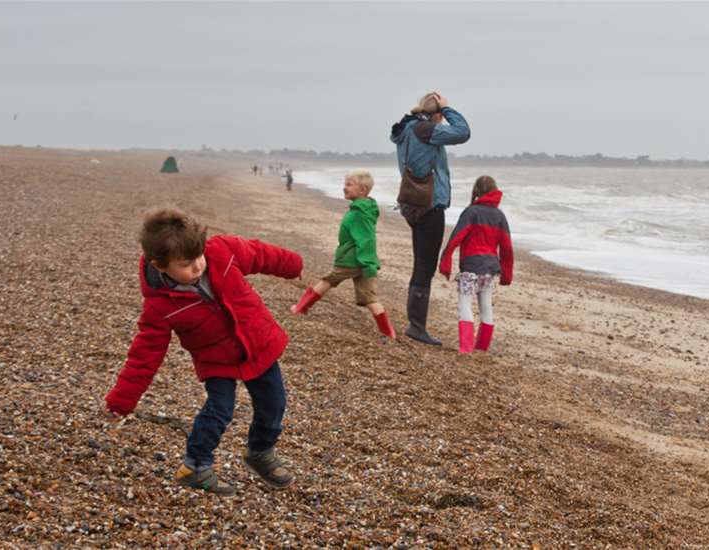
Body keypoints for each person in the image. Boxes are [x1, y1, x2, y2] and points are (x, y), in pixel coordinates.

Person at [104, 208, 303, 496]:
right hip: (216, 360)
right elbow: (144, 354)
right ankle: (195, 466)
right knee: (219, 410)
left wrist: (292, 265)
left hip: (258, 344)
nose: (198, 267)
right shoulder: (160, 306)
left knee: (273, 403)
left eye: (199, 257)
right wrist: (123, 399)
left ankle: (260, 451)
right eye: (186, 264)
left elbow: (259, 254)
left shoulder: (221, 251)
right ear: (160, 266)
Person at [389, 91, 470, 346]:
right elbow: (463, 132)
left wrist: (430, 109)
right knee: (425, 266)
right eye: (441, 116)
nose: (443, 122)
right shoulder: (426, 130)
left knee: (421, 263)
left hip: (411, 202)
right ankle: (417, 326)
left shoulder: (406, 130)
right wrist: (448, 108)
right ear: (435, 114)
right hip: (428, 204)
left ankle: (417, 323)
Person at [290, 170, 396, 339]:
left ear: (362, 190)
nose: (344, 188)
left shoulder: (359, 213)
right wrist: (367, 264)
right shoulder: (363, 208)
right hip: (362, 261)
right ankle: (388, 332)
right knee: (369, 298)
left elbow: (367, 239)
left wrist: (367, 262)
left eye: (349, 185)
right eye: (345, 184)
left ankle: (301, 308)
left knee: (328, 280)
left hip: (352, 259)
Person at [438, 176, 513, 353]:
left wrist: (445, 262)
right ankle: (481, 347)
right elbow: (507, 247)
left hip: (471, 266)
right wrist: (507, 275)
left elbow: (456, 237)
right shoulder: (499, 216)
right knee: (485, 306)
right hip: (490, 268)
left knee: (464, 304)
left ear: (476, 192)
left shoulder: (471, 212)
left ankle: (466, 348)